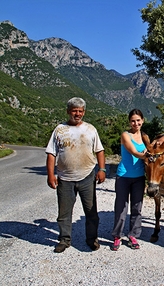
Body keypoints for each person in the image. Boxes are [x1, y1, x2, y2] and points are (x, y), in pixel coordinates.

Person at [45, 97, 106, 253]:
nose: (77, 114)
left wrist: (102, 169)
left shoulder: (91, 129)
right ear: (68, 111)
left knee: (91, 211)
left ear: (84, 112)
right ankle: (64, 240)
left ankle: (92, 239)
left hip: (87, 176)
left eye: (80, 111)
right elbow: (51, 154)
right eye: (74, 111)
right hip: (65, 179)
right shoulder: (59, 130)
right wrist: (50, 175)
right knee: (64, 213)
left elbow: (99, 150)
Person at [111, 109, 147, 251]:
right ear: (129, 122)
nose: (136, 123)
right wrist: (147, 155)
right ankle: (117, 235)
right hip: (124, 176)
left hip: (139, 177)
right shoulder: (125, 135)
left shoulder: (145, 137)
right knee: (121, 207)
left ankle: (133, 235)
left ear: (142, 121)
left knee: (137, 207)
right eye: (133, 120)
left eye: (138, 120)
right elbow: (133, 151)